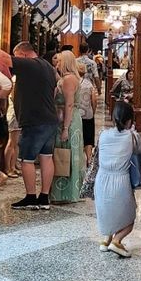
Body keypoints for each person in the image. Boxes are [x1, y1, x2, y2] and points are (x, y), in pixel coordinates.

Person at [0, 42, 58, 211]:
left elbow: (3, 58)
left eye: (17, 56)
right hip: (50, 119)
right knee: (46, 157)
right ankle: (44, 198)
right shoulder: (47, 66)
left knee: (27, 160)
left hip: (34, 121)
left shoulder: (30, 64)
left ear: (22, 54)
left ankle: (31, 197)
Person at [95, 100, 141, 257]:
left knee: (106, 211)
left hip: (101, 179)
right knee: (129, 216)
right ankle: (117, 241)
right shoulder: (132, 136)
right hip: (120, 181)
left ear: (113, 117)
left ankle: (106, 240)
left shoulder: (103, 134)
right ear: (130, 120)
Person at [50, 50, 85, 203]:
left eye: (59, 61)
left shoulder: (69, 79)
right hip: (66, 118)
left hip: (68, 120)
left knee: (65, 153)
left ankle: (66, 192)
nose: (57, 63)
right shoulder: (67, 78)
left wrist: (65, 128)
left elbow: (69, 104)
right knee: (64, 153)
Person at [77, 62, 98, 165]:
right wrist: (93, 110)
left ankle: (77, 159)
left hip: (76, 115)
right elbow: (94, 99)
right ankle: (89, 158)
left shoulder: (72, 82)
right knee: (88, 137)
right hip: (88, 114)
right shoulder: (89, 84)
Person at [3, 79, 21, 178]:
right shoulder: (15, 81)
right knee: (11, 141)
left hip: (19, 112)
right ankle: (7, 167)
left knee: (16, 142)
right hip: (14, 113)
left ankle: (13, 166)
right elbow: (15, 99)